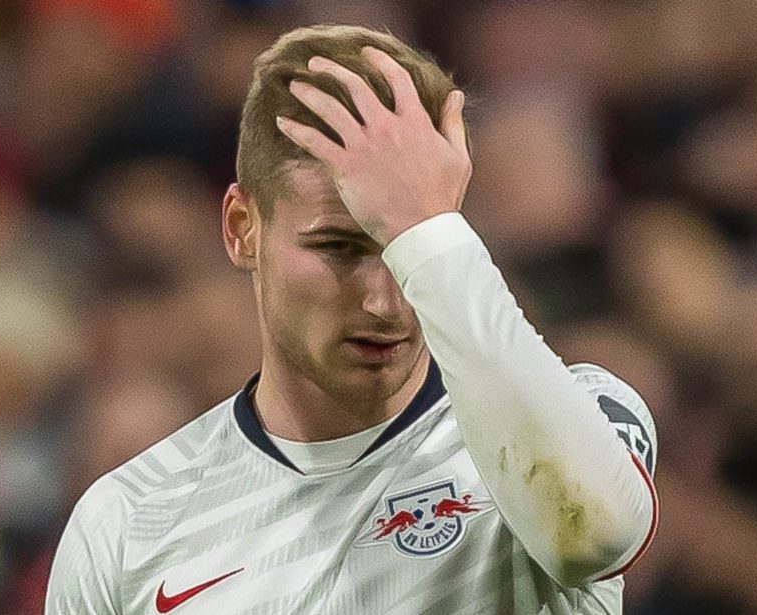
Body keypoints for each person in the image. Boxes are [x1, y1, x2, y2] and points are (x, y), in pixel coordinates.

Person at [46, 24, 658, 614]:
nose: (384, 303)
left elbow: (592, 537)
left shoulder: (585, 412)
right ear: (241, 229)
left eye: (405, 248)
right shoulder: (126, 524)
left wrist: (426, 229)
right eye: (338, 247)